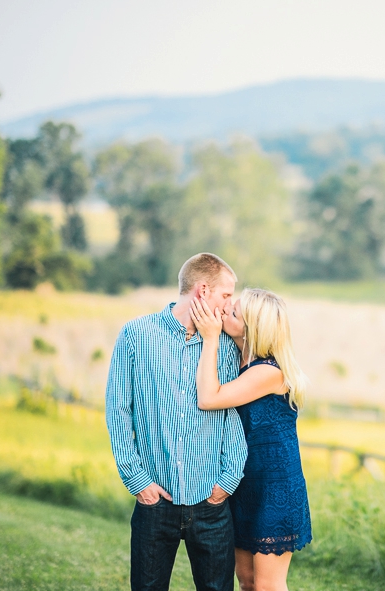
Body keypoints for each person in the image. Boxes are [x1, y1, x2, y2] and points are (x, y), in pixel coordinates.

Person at [105, 252, 248, 591]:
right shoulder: (136, 336)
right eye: (226, 295)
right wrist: (136, 478)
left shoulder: (224, 346)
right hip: (155, 502)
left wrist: (227, 480)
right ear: (202, 290)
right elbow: (118, 410)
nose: (229, 306)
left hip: (210, 502)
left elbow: (231, 415)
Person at [190, 288, 312, 591]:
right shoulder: (240, 363)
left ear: (251, 330)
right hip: (244, 483)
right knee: (247, 581)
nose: (225, 311)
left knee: (267, 586)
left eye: (233, 313)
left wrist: (209, 337)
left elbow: (208, 398)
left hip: (275, 488)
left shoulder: (270, 372)